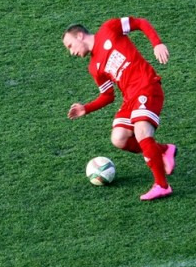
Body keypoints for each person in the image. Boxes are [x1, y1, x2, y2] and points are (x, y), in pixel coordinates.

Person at [63, 17, 177, 201]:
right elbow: (108, 96)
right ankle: (164, 150)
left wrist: (157, 44)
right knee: (119, 138)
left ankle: (162, 186)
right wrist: (86, 108)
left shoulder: (109, 28)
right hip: (129, 98)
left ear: (79, 35)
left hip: (146, 85)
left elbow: (140, 23)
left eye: (70, 45)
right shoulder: (94, 67)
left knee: (141, 131)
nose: (71, 51)